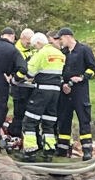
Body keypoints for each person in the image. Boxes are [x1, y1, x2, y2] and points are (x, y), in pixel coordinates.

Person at [21, 31, 67, 161]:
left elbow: (29, 72)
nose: (36, 48)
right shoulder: (60, 54)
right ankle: (49, 151)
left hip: (42, 91)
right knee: (49, 122)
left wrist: (18, 79)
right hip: (55, 91)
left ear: (39, 43)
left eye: (35, 46)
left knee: (29, 121)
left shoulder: (41, 53)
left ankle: (30, 152)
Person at [54, 27, 95, 160]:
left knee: (84, 119)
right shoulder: (63, 53)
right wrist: (63, 84)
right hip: (65, 91)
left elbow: (92, 68)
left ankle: (87, 150)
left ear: (68, 36)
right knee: (64, 119)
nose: (61, 42)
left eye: (61, 39)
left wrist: (82, 77)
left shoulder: (84, 50)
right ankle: (62, 148)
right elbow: (58, 71)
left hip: (80, 90)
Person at [6, 28, 36, 148]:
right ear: (22, 38)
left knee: (30, 114)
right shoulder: (15, 50)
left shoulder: (32, 50)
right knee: (19, 113)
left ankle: (22, 138)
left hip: (30, 86)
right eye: (28, 42)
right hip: (18, 86)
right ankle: (15, 135)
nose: (30, 44)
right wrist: (16, 79)